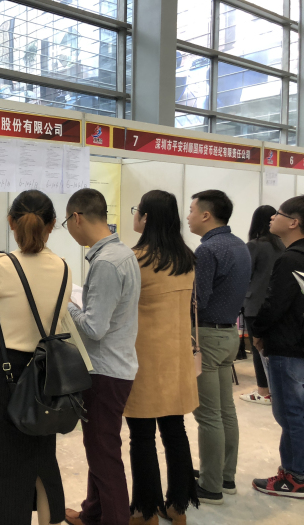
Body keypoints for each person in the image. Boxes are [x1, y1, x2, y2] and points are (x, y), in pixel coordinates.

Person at [0, 189, 71, 525]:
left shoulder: (0, 265)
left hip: (5, 371)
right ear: (53, 224)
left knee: (5, 463)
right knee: (42, 455)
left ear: (11, 222)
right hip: (47, 371)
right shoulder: (63, 267)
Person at [62, 188, 141, 525]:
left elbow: (94, 328)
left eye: (66, 222)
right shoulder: (120, 253)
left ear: (76, 217)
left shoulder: (107, 262)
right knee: (99, 448)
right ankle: (92, 512)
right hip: (115, 365)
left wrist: (66, 304)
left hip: (105, 371)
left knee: (104, 454)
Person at [124, 191, 199, 525]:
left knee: (142, 437)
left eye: (137, 210)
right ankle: (178, 507)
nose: (135, 215)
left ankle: (146, 511)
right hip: (177, 359)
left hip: (144, 361)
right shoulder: (186, 258)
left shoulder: (136, 259)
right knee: (175, 432)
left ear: (146, 217)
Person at [186, 190, 250, 505]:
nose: (188, 216)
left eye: (191, 210)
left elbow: (198, 300)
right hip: (228, 335)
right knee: (226, 410)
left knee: (208, 414)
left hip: (206, 338)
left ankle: (210, 487)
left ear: (206, 215)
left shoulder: (208, 249)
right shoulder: (239, 245)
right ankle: (225, 476)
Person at [250, 197, 304, 498]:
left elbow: (274, 305)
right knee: (297, 413)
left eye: (279, 214)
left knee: (290, 413)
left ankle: (296, 477)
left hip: (286, 346)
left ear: (294, 222)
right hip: (298, 344)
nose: (273, 217)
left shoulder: (290, 259)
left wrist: (257, 332)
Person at [240, 205, 283, 405]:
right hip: (278, 303)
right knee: (275, 349)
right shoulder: (284, 245)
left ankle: (263, 391)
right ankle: (276, 390)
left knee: (258, 349)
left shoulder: (255, 245)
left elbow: (245, 275)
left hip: (255, 303)